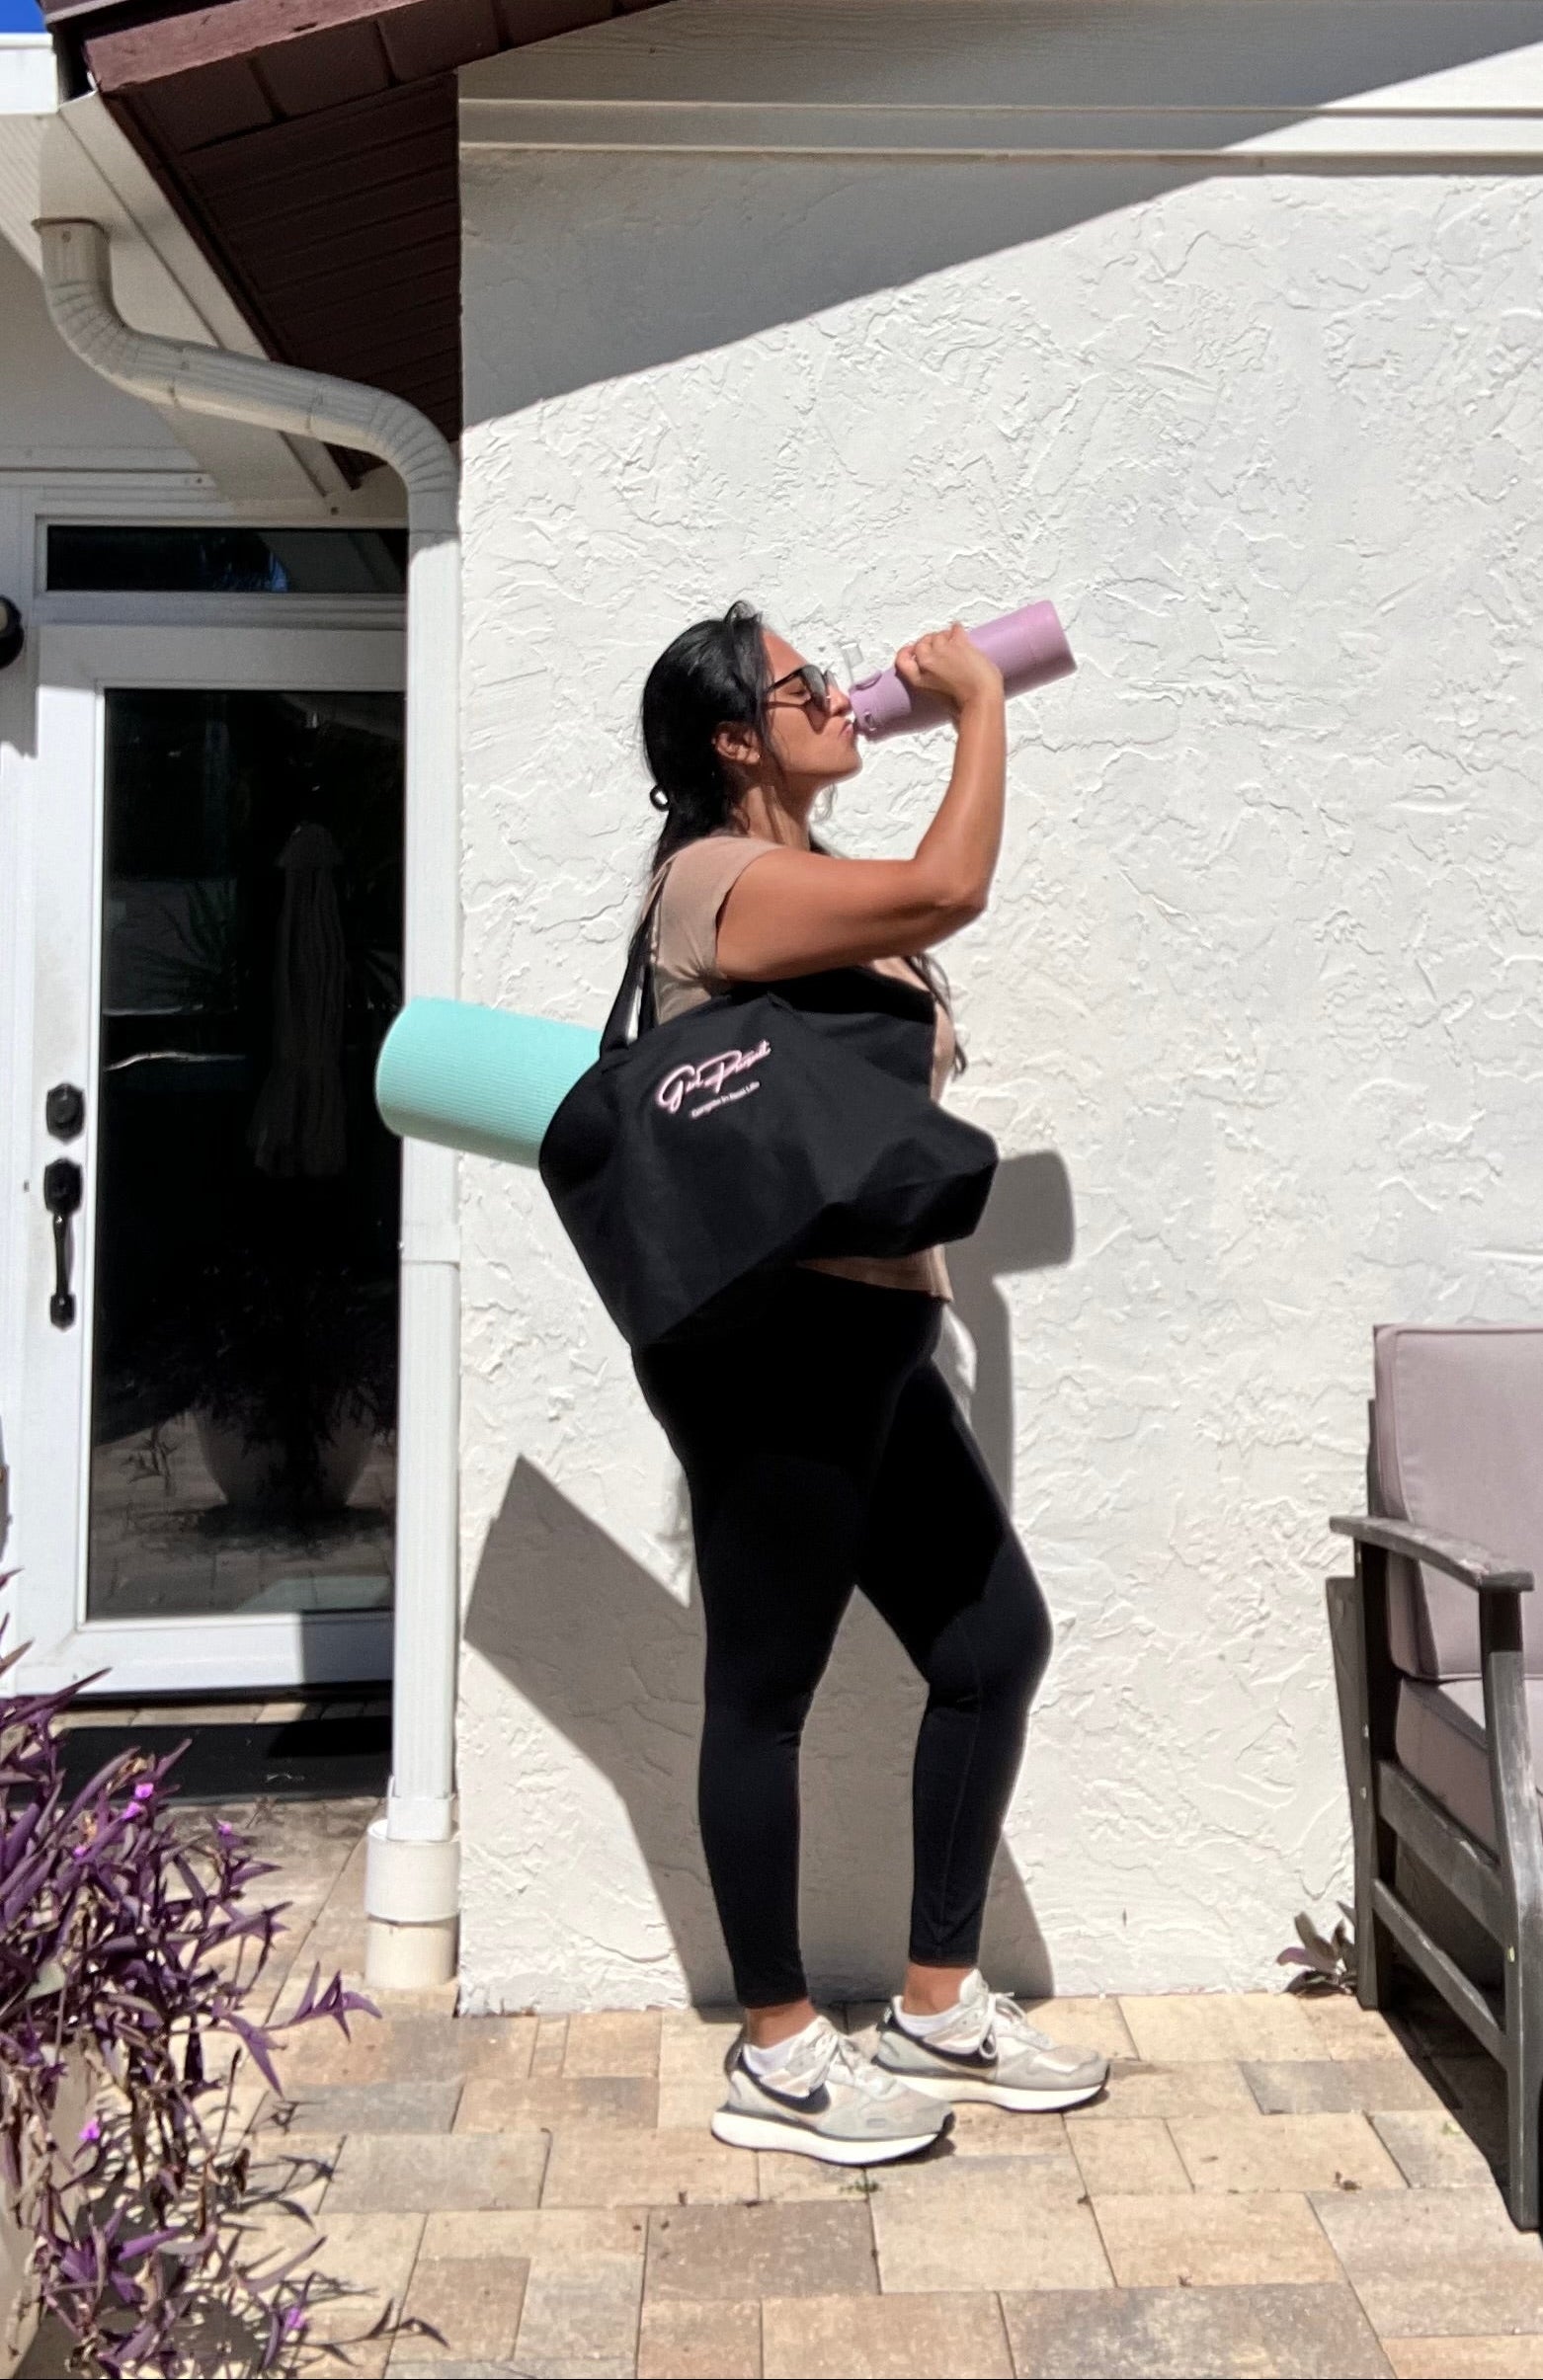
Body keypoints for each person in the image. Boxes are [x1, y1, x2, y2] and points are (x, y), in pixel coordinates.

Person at [631, 601, 1106, 2166]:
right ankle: (775, 2049)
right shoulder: (714, 882)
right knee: (763, 1692)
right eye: (802, 685)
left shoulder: (814, 880)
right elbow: (951, 881)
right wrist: (978, 706)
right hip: (781, 1344)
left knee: (991, 1641)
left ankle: (936, 2002)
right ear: (733, 738)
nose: (839, 693)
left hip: (880, 1336)